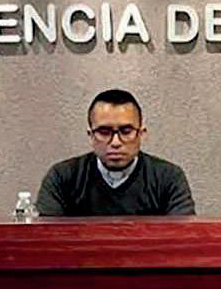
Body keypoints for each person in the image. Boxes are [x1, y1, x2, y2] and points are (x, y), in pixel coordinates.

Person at [36, 89, 195, 216]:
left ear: (141, 134)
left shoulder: (168, 178)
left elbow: (184, 237)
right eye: (104, 132)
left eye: (126, 131)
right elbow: (44, 238)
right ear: (91, 135)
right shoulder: (63, 177)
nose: (116, 142)